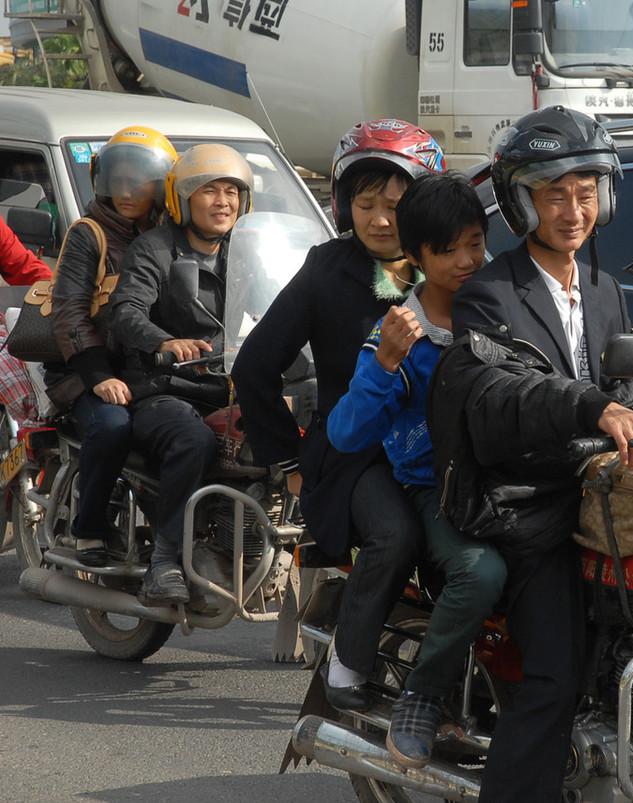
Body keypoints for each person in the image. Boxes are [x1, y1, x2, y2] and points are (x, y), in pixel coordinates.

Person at [448, 106, 633, 803]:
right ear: (522, 201)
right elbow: (496, 398)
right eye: (554, 193)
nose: (573, 209)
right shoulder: (490, 295)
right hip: (530, 506)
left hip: (609, 502)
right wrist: (589, 405)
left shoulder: (604, 289)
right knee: (553, 676)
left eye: (586, 191)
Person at [232, 120, 445, 706]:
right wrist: (289, 464)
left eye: (395, 205)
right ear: (342, 204)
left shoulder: (453, 266)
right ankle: (346, 670)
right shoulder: (326, 269)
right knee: (394, 536)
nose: (379, 219)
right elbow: (253, 368)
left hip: (439, 449)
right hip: (353, 456)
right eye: (365, 203)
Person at [324, 172, 506, 767]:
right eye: (447, 250)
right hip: (441, 491)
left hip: (517, 486)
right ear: (416, 256)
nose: (466, 261)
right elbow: (347, 431)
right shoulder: (399, 331)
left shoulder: (504, 308)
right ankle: (422, 698)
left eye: (475, 243)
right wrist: (384, 362)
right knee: (479, 576)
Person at [108, 143, 254, 606]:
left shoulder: (244, 252)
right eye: (209, 190)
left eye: (232, 191)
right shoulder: (156, 248)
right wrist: (162, 342)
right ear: (182, 198)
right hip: (162, 389)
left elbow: (276, 305)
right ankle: (165, 561)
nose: (223, 201)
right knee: (194, 440)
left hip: (223, 385)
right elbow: (126, 310)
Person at [45, 126, 177, 567]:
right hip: (86, 371)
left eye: (138, 180)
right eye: (117, 179)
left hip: (148, 368)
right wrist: (99, 376)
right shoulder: (90, 233)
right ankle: (89, 528)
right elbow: (70, 312)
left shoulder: (169, 236)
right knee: (113, 425)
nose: (125, 190)